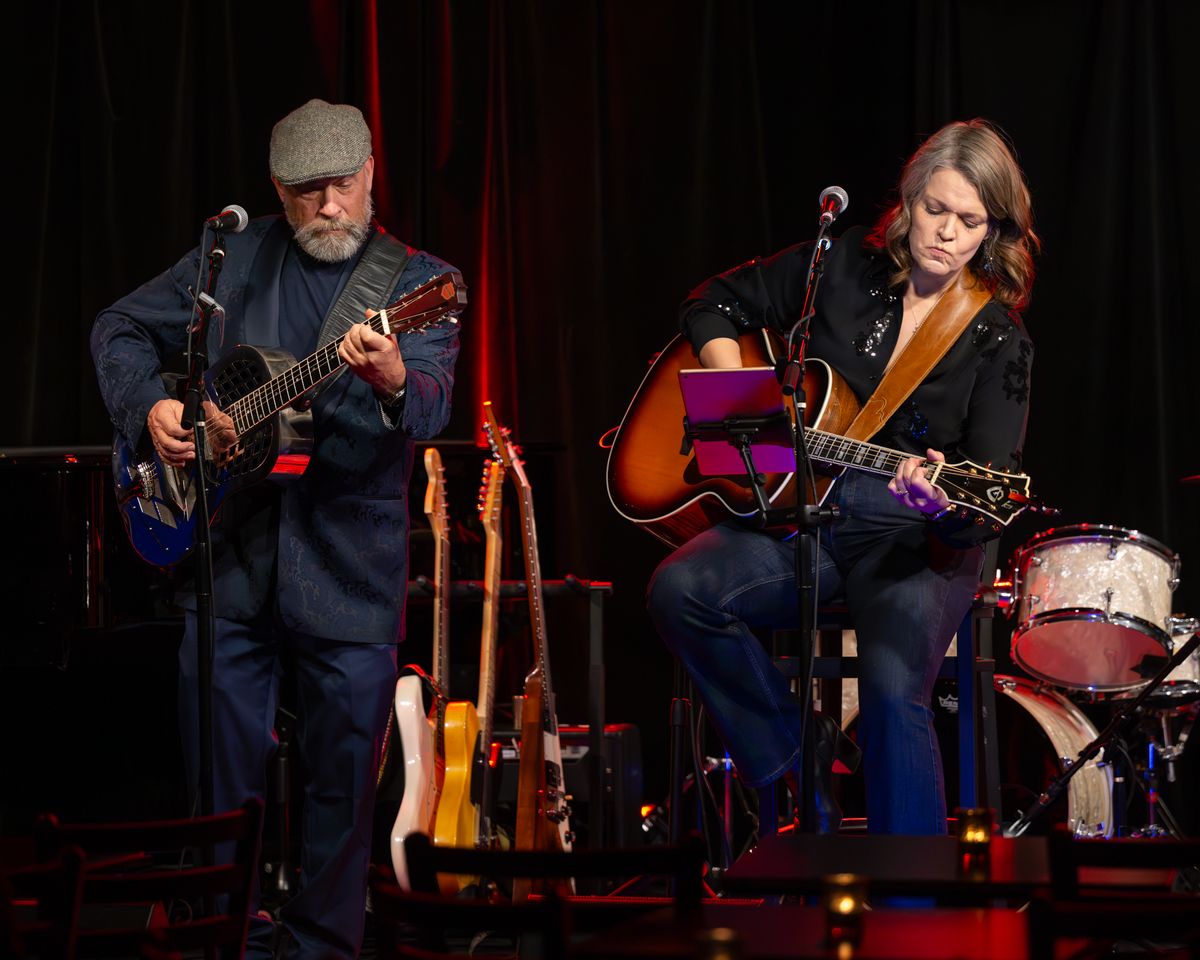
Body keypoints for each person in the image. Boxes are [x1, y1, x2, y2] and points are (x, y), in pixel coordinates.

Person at [92, 99, 461, 957]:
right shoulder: (235, 256)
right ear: (275, 190)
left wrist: (396, 376)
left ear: (371, 171)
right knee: (219, 781)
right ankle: (224, 937)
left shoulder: (417, 284)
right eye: (304, 192)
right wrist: (152, 406)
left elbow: (431, 407)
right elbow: (118, 327)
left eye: (339, 186)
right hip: (229, 558)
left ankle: (325, 947)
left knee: (342, 784)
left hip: (350, 568)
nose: (327, 206)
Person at [647, 119, 1038, 836]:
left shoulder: (998, 339)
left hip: (918, 542)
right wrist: (738, 396)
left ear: (993, 230)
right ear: (910, 198)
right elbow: (712, 302)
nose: (947, 233)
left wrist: (941, 503)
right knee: (680, 590)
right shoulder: (841, 266)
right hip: (814, 515)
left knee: (892, 695)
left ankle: (914, 905)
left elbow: (988, 497)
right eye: (936, 209)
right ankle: (801, 760)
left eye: (970, 220)